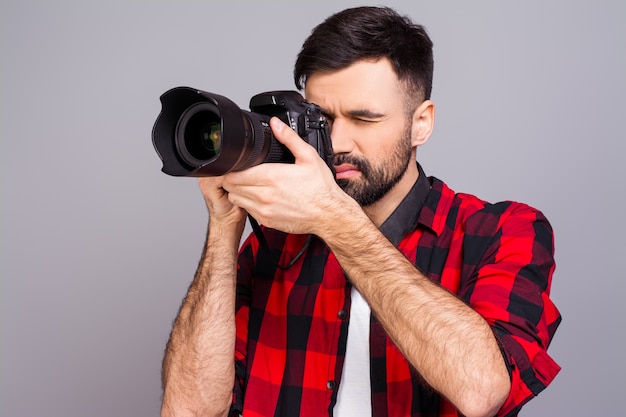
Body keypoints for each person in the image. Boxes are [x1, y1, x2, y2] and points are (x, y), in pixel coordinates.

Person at [159, 6, 561, 417]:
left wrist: (336, 220)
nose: (337, 142)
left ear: (421, 123)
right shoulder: (275, 247)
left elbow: (483, 391)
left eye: (364, 118)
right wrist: (224, 227)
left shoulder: (502, 230)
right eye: (322, 119)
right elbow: (187, 411)